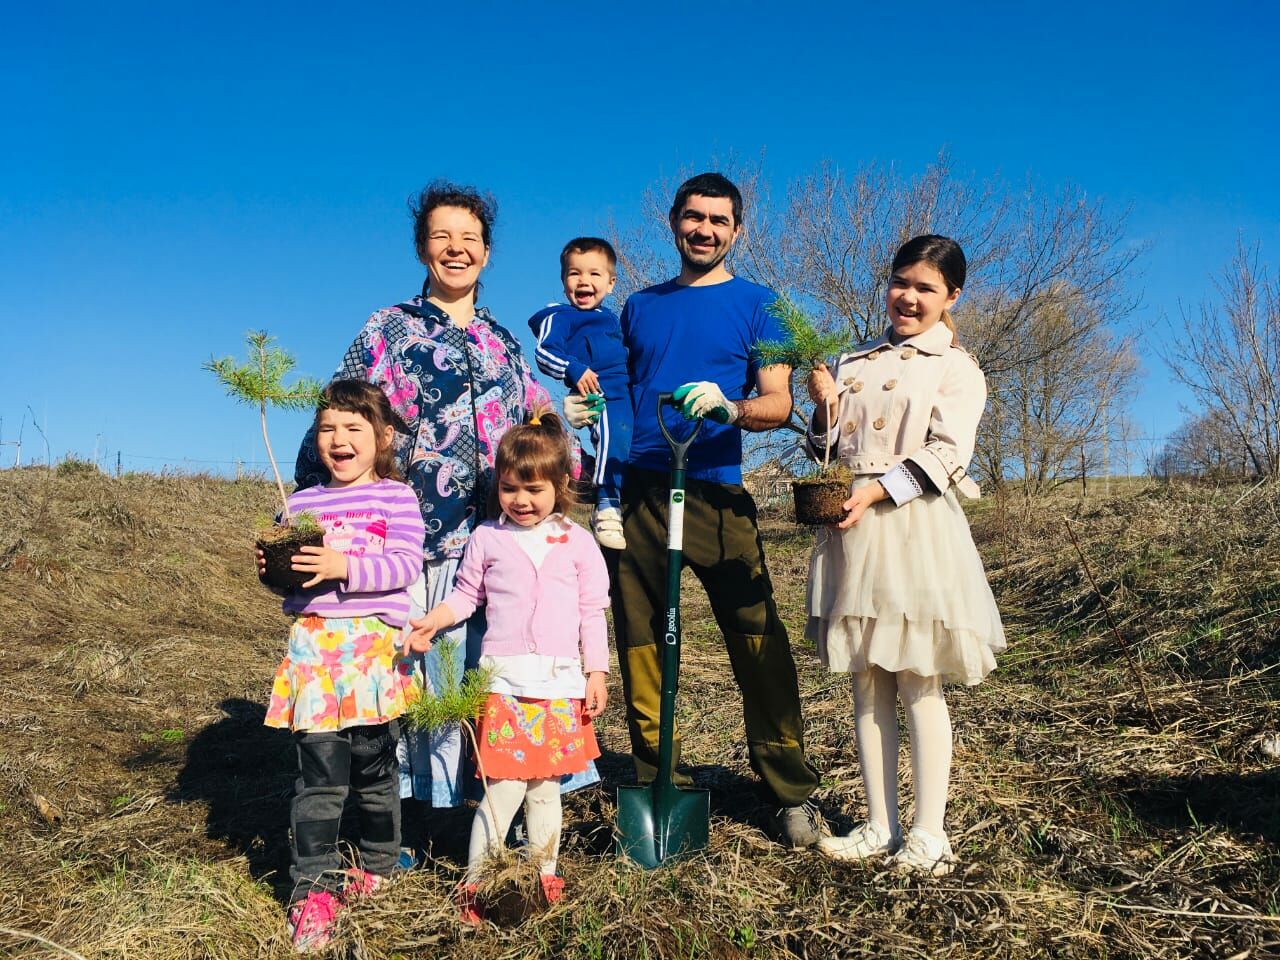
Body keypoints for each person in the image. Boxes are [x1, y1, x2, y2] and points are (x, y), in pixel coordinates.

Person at [294, 181, 597, 847]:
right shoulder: (389, 328)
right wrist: (311, 516)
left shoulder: (501, 342)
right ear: (422, 248)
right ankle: (401, 821)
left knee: (497, 676)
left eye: (469, 239)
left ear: (487, 253)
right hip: (411, 541)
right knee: (410, 677)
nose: (455, 249)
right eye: (442, 237)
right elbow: (337, 418)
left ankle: (508, 805)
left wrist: (563, 471)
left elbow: (540, 423)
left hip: (495, 540)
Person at [568, 172, 825, 848]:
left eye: (718, 220)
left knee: (759, 644)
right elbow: (619, 394)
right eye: (693, 217)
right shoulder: (641, 307)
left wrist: (731, 406)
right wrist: (588, 409)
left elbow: (779, 403)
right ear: (674, 222)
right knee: (644, 648)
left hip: (717, 492)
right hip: (641, 492)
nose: (704, 229)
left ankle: (788, 788)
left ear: (737, 230)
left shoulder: (761, 305)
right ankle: (661, 783)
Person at [803, 235, 1006, 875]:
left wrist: (877, 490)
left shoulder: (956, 366)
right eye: (900, 282)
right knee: (867, 681)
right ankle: (878, 824)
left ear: (951, 297)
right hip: (852, 533)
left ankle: (929, 833)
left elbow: (949, 453)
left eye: (925, 287)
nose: (908, 297)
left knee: (919, 679)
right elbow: (826, 452)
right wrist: (824, 403)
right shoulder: (854, 360)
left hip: (912, 526)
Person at [403, 412, 609, 921]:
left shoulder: (578, 543)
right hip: (507, 686)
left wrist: (596, 673)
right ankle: (477, 883)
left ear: (560, 485)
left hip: (560, 686)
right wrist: (434, 619)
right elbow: (466, 596)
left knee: (547, 790)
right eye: (509, 487)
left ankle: (543, 874)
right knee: (504, 790)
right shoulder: (487, 539)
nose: (520, 500)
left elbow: (591, 613)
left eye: (533, 489)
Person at [263, 380, 425, 951]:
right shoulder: (299, 502)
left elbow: (404, 564)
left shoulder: (397, 498)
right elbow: (288, 576)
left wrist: (342, 564)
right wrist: (272, 564)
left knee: (376, 768)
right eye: (328, 428)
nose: (339, 439)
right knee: (319, 778)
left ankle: (379, 865)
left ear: (381, 438)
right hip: (314, 651)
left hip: (372, 655)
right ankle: (313, 889)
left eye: (353, 428)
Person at [527, 237, 631, 550]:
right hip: (598, 391)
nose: (584, 280)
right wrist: (573, 370)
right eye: (575, 274)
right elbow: (545, 352)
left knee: (629, 441)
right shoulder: (560, 316)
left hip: (626, 390)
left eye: (594, 274)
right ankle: (607, 504)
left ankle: (625, 498)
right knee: (613, 436)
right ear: (563, 282)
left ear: (611, 283)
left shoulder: (612, 319)